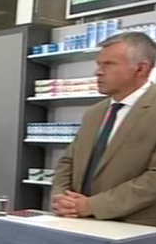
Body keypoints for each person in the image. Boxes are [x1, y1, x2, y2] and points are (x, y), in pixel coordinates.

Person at [52, 32, 156, 226]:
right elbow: (68, 161)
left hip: (135, 230)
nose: (98, 72)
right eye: (99, 64)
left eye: (108, 64)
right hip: (79, 221)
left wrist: (93, 206)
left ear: (141, 68)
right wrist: (62, 197)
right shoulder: (94, 113)